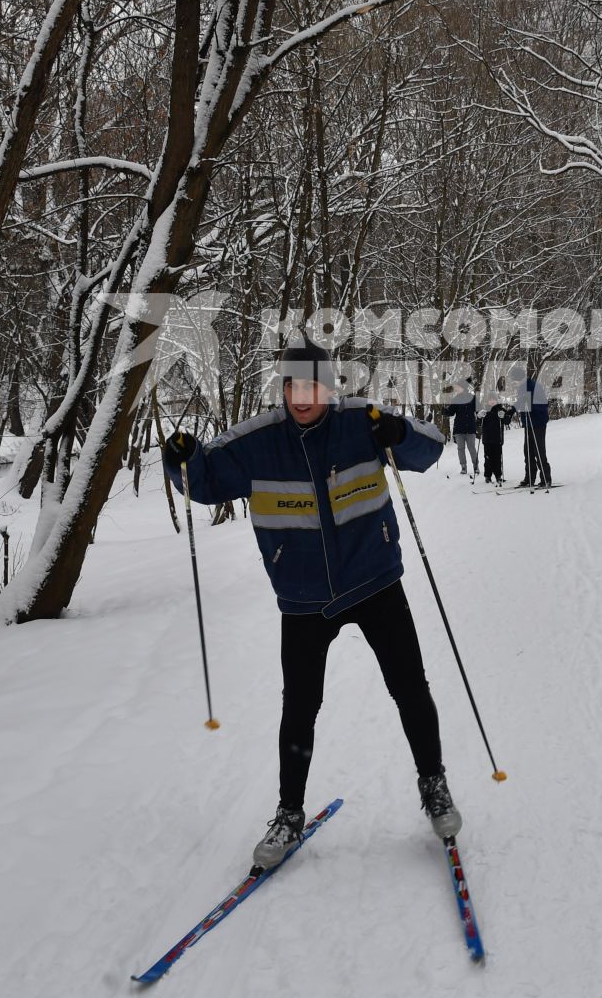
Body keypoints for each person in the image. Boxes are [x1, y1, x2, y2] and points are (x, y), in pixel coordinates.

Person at [163, 342, 459, 870]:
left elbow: (431, 447)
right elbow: (203, 480)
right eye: (294, 387)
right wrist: (180, 456)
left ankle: (434, 784)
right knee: (300, 707)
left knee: (410, 686)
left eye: (314, 387)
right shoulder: (257, 441)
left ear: (331, 387)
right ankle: (289, 813)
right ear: (283, 390)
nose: (304, 398)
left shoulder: (361, 420)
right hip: (302, 598)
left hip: (375, 582)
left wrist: (400, 436)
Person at [519, 372, 553, 488]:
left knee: (539, 451)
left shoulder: (535, 387)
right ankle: (529, 478)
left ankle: (546, 478)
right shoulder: (521, 388)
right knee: (527, 451)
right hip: (528, 423)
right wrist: (511, 411)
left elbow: (543, 404)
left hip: (538, 423)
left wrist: (531, 407)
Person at [447, 382, 479, 477]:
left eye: (457, 387)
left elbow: (479, 410)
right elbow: (451, 412)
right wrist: (445, 411)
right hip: (459, 428)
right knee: (460, 449)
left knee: (471, 448)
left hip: (470, 427)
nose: (456, 389)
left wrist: (481, 415)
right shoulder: (455, 399)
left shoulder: (472, 398)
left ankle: (476, 466)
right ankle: (463, 467)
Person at [478, 399, 509, 483]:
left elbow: (507, 421)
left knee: (497, 458)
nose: (492, 402)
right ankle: (487, 476)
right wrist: (479, 417)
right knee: (487, 458)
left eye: (494, 400)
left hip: (497, 439)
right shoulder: (484, 411)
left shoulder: (501, 410)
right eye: (490, 400)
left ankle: (498, 475)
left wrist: (504, 416)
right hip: (487, 439)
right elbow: (478, 423)